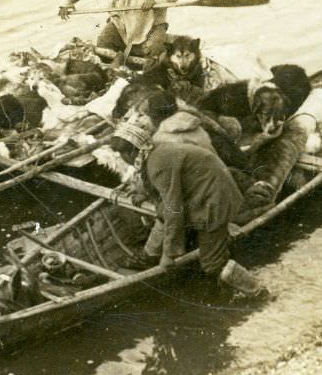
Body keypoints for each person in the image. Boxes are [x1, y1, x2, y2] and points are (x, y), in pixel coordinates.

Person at [110, 104, 267, 298]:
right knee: (163, 213)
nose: (122, 159)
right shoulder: (153, 150)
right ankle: (150, 255)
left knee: (212, 263)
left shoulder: (157, 162)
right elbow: (166, 188)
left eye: (122, 154)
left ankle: (259, 292)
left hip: (214, 199)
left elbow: (174, 208)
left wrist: (169, 254)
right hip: (203, 192)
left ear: (130, 152)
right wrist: (147, 195)